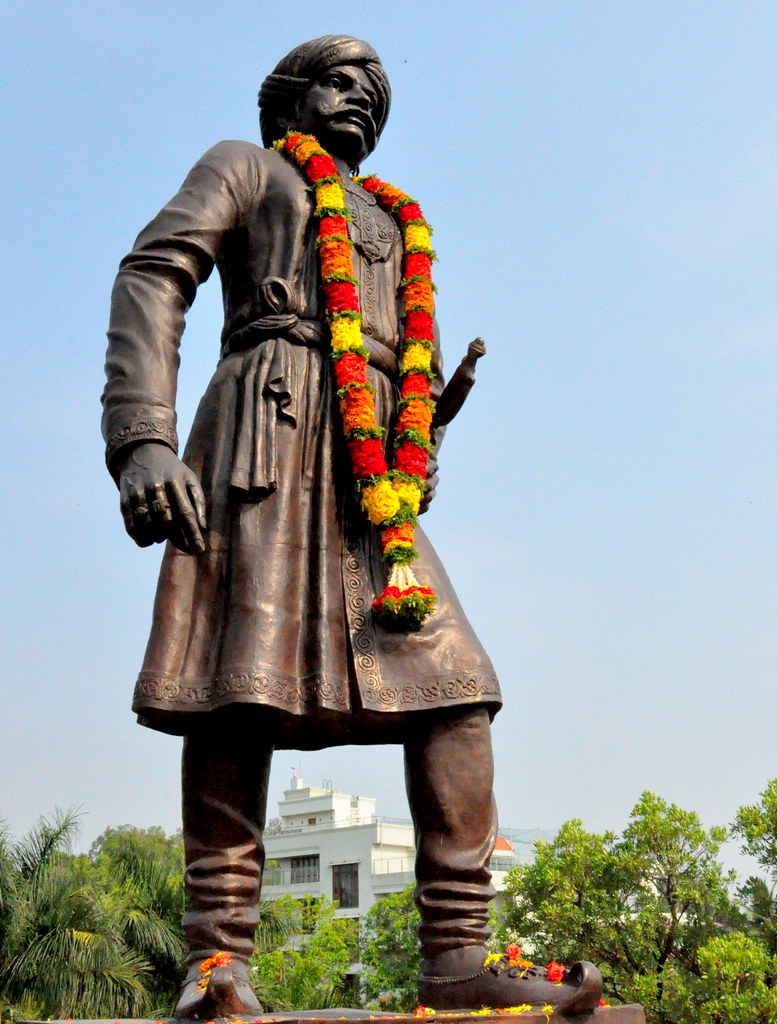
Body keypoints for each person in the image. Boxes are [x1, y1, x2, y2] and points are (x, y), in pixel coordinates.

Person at [103, 35, 602, 1017]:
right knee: (235, 691)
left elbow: (394, 360)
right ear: (287, 97)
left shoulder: (396, 216)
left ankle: (456, 953)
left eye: (377, 90)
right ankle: (217, 960)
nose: (363, 100)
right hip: (267, 432)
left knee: (459, 692)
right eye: (339, 82)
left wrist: (416, 445)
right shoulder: (247, 168)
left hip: (369, 480)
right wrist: (143, 441)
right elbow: (153, 274)